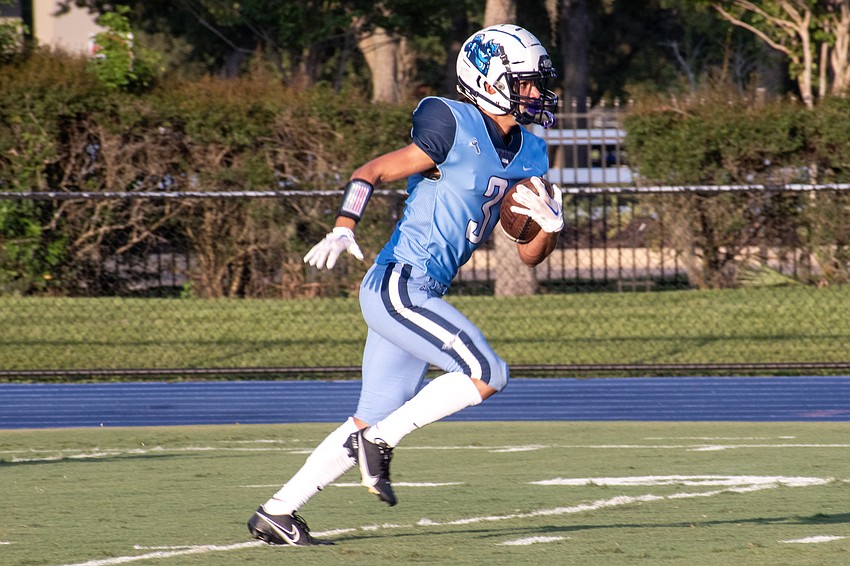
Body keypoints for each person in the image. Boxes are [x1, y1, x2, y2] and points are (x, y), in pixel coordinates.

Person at [247, 23, 564, 546]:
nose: (534, 92)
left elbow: (529, 256)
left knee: (368, 417)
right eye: (524, 81)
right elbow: (370, 171)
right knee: (488, 372)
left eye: (538, 82)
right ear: (486, 79)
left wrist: (550, 228)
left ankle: (278, 512)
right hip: (399, 284)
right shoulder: (452, 121)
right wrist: (345, 225)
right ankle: (384, 441)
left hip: (425, 292)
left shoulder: (532, 150)